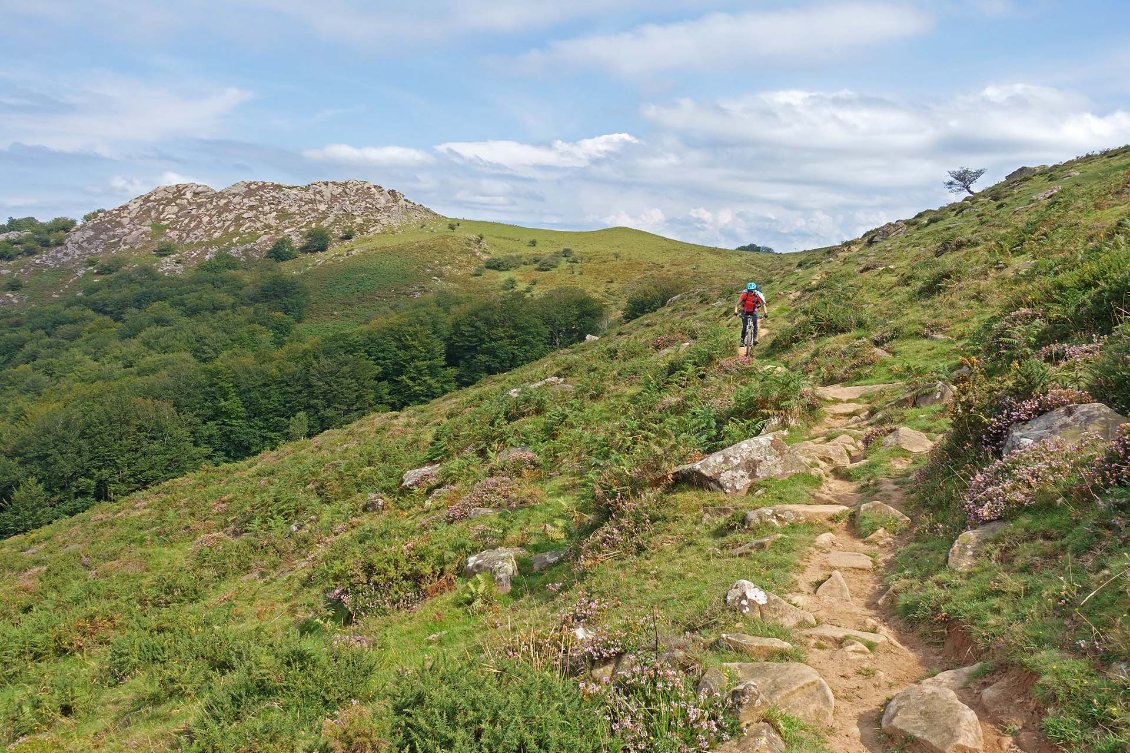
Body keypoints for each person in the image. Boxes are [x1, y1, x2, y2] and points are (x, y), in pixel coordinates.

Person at [734, 282, 768, 346]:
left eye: (752, 291)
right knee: (744, 326)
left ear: (754, 291)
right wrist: (735, 312)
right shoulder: (744, 295)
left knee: (755, 325)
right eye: (749, 291)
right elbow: (737, 304)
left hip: (753, 311)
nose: (750, 292)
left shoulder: (757, 296)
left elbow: (763, 305)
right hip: (745, 311)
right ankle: (742, 341)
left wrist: (765, 313)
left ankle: (755, 339)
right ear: (747, 290)